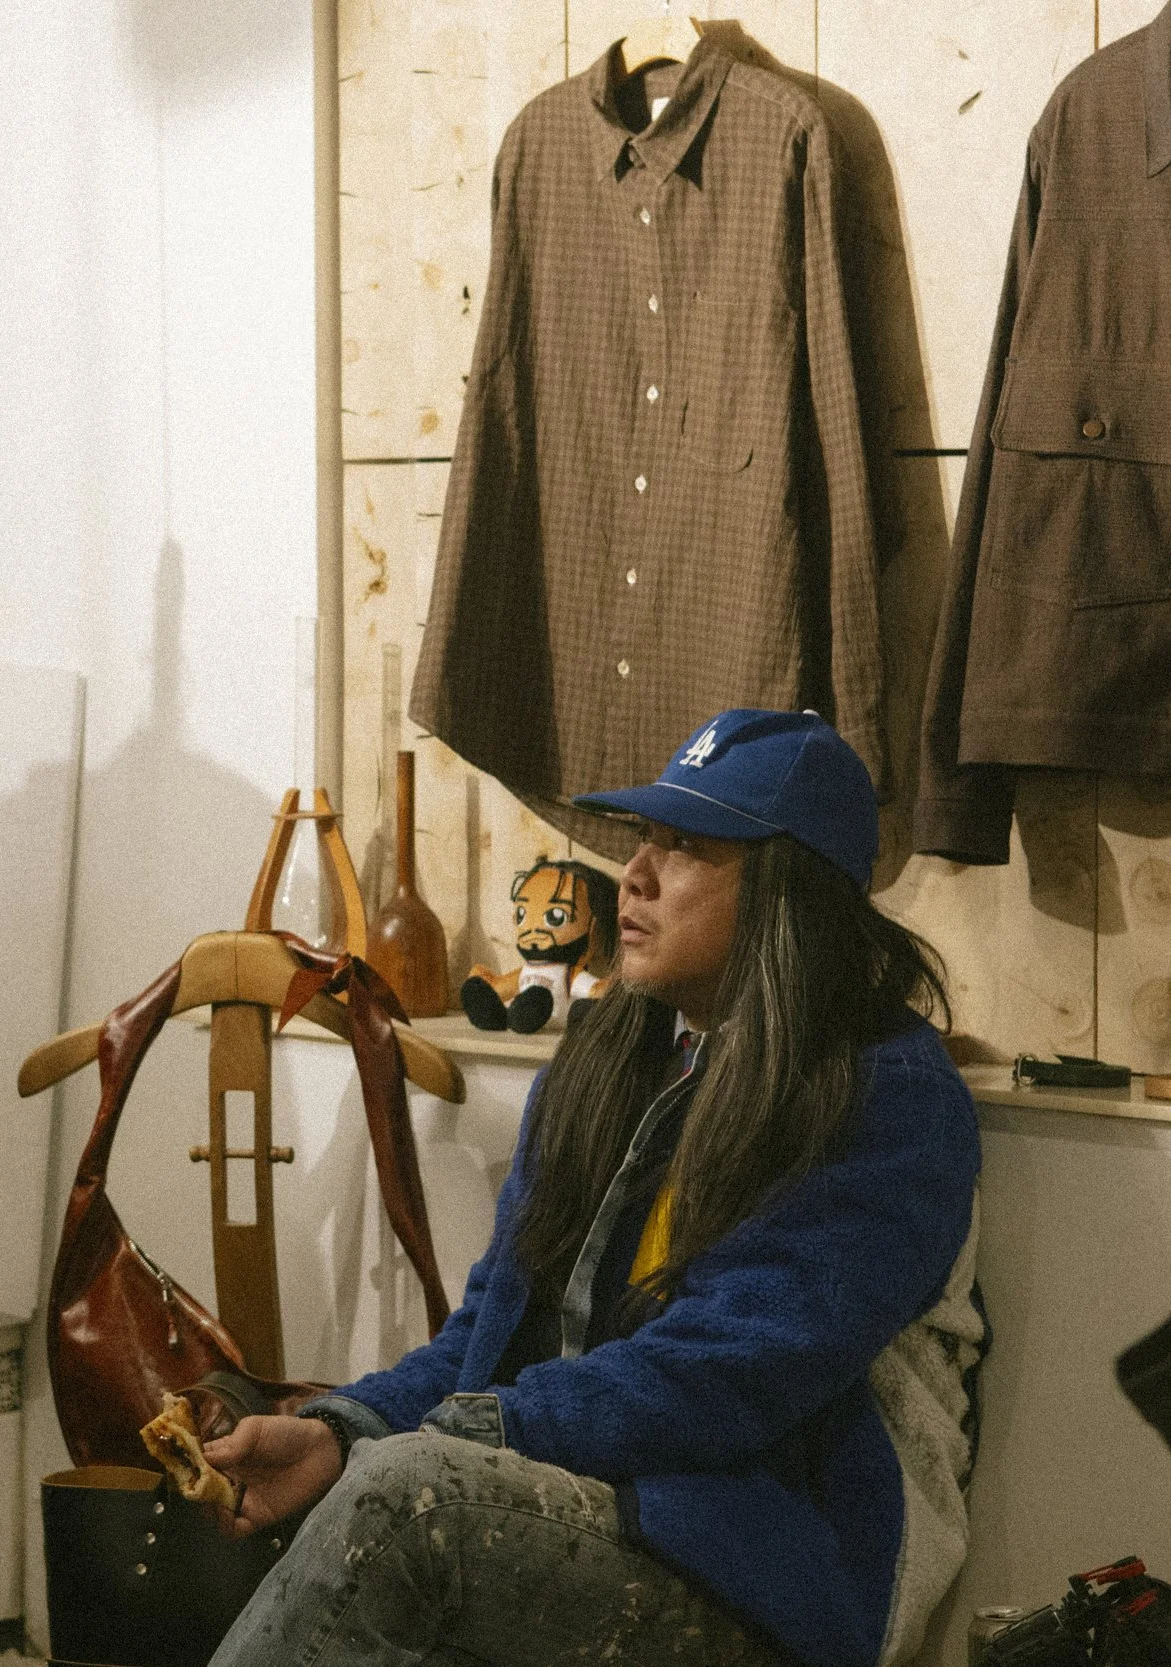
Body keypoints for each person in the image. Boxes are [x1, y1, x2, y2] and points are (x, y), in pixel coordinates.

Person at [203, 709, 983, 1667]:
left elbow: (736, 1369)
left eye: (685, 847)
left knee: (411, 1505)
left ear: (789, 892)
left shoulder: (885, 1093)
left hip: (768, 1568)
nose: (637, 876)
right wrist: (340, 1429)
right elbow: (489, 1329)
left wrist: (484, 1432)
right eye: (643, 838)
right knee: (357, 1491)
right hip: (593, 1504)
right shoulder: (613, 1055)